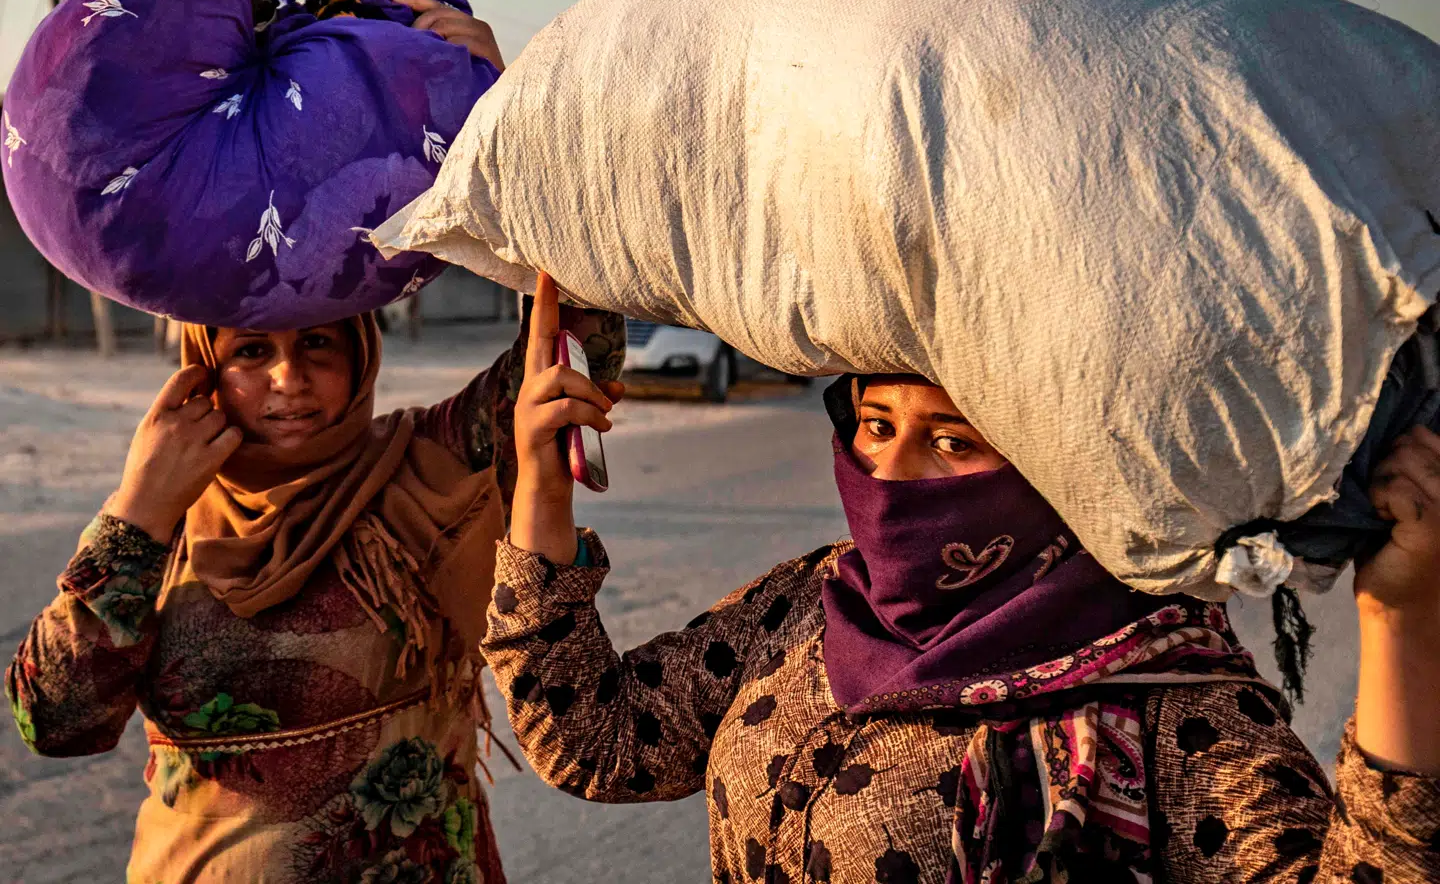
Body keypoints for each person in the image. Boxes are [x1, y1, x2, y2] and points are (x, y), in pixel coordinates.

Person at [482, 272, 1440, 883]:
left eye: (953, 441)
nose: (892, 475)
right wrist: (542, 486)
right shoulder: (809, 603)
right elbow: (595, 739)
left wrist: (1403, 617)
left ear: (1054, 465)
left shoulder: (1156, 692)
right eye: (874, 426)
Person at [5, 289, 621, 884]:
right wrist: (139, 510)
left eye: (318, 342)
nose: (288, 377)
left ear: (359, 352)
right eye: (251, 351)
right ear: (203, 372)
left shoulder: (424, 464)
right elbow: (54, 722)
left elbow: (568, 342)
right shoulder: (158, 518)